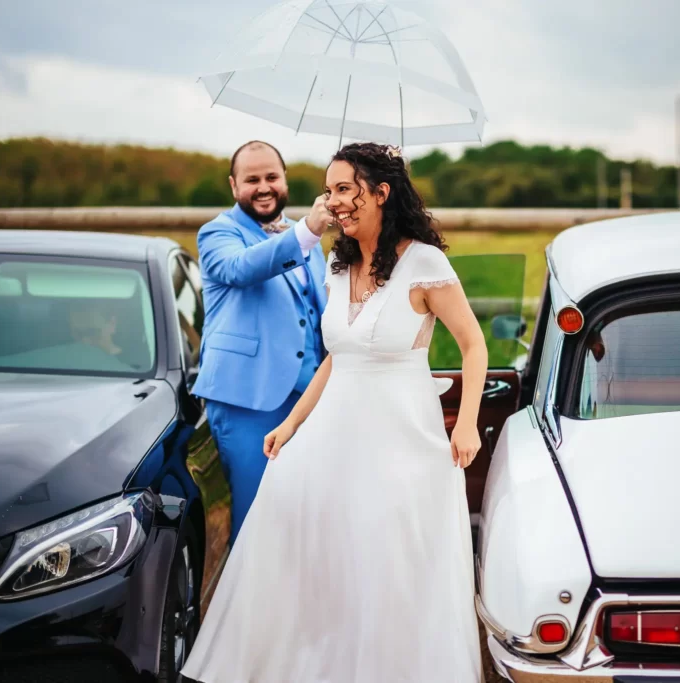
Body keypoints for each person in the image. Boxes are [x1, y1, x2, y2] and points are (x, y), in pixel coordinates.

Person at [181, 142, 487, 683]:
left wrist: (464, 425)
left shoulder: (425, 263)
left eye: (345, 188)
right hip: (334, 434)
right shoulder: (336, 261)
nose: (335, 201)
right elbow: (335, 360)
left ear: (380, 193)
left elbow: (473, 346)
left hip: (403, 436)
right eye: (329, 190)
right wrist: (291, 424)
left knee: (391, 559)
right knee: (310, 541)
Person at [190, 140, 334, 545]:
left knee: (302, 515)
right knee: (256, 519)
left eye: (272, 176)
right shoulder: (218, 233)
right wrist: (307, 231)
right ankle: (245, 609)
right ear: (234, 185)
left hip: (309, 399)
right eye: (252, 179)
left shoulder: (302, 235)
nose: (264, 186)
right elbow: (241, 268)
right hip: (247, 399)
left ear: (284, 180)